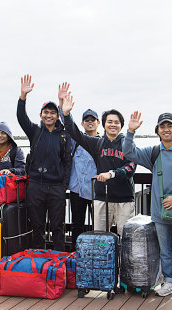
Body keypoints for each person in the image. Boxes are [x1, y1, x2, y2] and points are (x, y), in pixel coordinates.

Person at [122, 111, 172, 306]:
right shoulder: (154, 152)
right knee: (165, 250)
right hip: (160, 211)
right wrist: (131, 131)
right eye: (162, 126)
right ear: (157, 130)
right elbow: (128, 152)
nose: (166, 129)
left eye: (170, 126)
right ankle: (170, 282)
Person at [61, 92, 136, 237]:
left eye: (116, 122)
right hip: (102, 199)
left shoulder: (127, 143)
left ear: (121, 125)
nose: (113, 125)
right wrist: (66, 114)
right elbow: (76, 133)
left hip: (124, 199)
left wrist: (111, 174)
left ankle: (123, 261)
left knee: (126, 238)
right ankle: (102, 261)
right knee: (100, 238)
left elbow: (131, 168)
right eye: (109, 122)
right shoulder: (97, 143)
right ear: (104, 124)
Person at [17, 75, 73, 252]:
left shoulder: (64, 135)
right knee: (37, 226)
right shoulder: (35, 131)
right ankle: (39, 260)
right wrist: (23, 97)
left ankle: (58, 260)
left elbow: (68, 161)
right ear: (41, 115)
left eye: (52, 113)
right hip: (35, 186)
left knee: (57, 227)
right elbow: (21, 117)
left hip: (56, 187)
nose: (49, 115)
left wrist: (64, 186)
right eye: (45, 113)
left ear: (57, 116)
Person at [65, 108, 100, 249]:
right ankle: (76, 253)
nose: (90, 122)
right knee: (77, 224)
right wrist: (64, 109)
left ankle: (97, 254)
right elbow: (69, 126)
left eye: (93, 120)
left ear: (98, 123)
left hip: (96, 191)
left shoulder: (102, 142)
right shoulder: (75, 141)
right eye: (87, 120)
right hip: (77, 189)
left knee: (98, 226)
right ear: (82, 123)